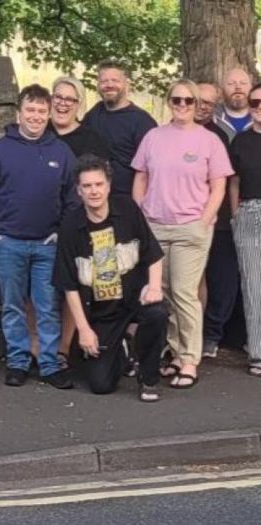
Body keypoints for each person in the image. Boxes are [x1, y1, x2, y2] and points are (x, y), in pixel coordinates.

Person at [0, 84, 77, 389]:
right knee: (13, 306)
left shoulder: (61, 152)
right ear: (19, 113)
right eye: (30, 110)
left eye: (42, 111)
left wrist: (59, 233)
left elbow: (73, 198)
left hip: (47, 245)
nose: (36, 116)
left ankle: (49, 363)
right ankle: (17, 361)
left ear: (49, 114)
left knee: (48, 307)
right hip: (9, 243)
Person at [131, 79, 233, 389]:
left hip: (191, 227)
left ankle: (190, 359)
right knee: (163, 293)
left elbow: (219, 186)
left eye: (189, 100)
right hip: (155, 226)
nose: (183, 105)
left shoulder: (209, 141)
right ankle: (175, 353)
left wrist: (204, 220)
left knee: (185, 292)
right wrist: (141, 215)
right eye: (177, 100)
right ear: (169, 102)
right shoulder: (153, 137)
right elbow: (140, 177)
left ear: (196, 104)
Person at [55, 155, 166, 401]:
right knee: (100, 384)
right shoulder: (71, 226)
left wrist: (154, 287)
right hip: (102, 311)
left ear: (108, 186)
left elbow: (153, 254)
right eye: (87, 186)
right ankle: (123, 349)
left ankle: (149, 379)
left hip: (134, 298)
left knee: (157, 314)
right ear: (79, 191)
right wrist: (83, 330)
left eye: (99, 184)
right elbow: (69, 285)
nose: (94, 191)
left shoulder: (127, 209)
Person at [49, 76, 110, 369]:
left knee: (75, 286)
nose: (62, 104)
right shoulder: (40, 131)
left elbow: (100, 183)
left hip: (79, 223)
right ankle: (38, 347)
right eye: (58, 97)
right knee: (39, 290)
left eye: (69, 99)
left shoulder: (90, 140)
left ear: (79, 104)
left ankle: (64, 348)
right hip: (42, 223)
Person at [198, 79, 242, 359]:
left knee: (222, 279)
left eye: (209, 103)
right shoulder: (166, 134)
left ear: (216, 106)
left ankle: (212, 335)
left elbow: (231, 180)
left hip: (220, 219)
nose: (202, 107)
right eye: (197, 100)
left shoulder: (224, 136)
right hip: (183, 219)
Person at [82, 61, 158, 196]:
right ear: (98, 85)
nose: (109, 85)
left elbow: (153, 168)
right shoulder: (93, 114)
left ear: (127, 84)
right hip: (95, 195)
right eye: (104, 81)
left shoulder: (142, 122)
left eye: (115, 80)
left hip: (127, 198)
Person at [228, 81, 261, 377]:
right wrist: (234, 214)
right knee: (253, 285)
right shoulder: (240, 141)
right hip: (249, 212)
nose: (259, 107)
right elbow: (234, 181)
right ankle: (258, 352)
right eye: (254, 103)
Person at [214, 68, 254, 139]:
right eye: (231, 83)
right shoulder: (211, 117)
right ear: (221, 89)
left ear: (251, 88)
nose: (238, 87)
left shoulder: (258, 117)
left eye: (243, 83)